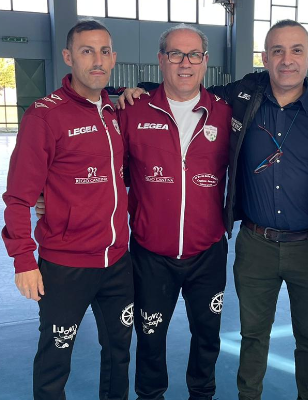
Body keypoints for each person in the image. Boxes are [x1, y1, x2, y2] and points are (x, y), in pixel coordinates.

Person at [119, 19, 308, 400]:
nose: (287, 60)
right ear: (265, 58)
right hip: (242, 245)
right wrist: (135, 90)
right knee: (247, 334)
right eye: (277, 51)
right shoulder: (242, 98)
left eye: (296, 51)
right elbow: (179, 91)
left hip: (300, 246)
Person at [1, 19, 133, 400]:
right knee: (54, 362)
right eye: (86, 51)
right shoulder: (44, 116)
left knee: (119, 355)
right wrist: (23, 260)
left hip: (117, 261)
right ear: (68, 57)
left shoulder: (116, 110)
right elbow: (18, 197)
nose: (97, 60)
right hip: (65, 266)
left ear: (113, 58)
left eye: (104, 52)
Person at [119, 24, 232, 400]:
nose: (185, 63)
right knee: (150, 338)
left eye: (194, 54)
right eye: (176, 54)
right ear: (161, 59)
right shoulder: (132, 110)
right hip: (151, 254)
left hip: (208, 252)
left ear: (205, 61)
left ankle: (203, 393)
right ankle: (150, 394)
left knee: (207, 336)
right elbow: (104, 167)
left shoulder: (225, 114)